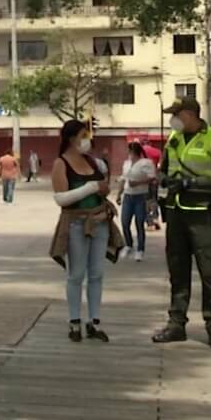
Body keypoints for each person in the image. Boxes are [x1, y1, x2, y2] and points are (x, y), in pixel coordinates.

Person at [153, 97, 211, 350]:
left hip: (203, 215)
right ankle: (176, 323)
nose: (173, 120)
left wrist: (192, 183)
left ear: (189, 114)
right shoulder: (174, 140)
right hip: (176, 213)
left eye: (176, 115)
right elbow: (163, 169)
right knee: (177, 271)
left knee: (208, 274)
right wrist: (165, 179)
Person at [50, 119, 122, 343]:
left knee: (97, 274)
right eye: (83, 135)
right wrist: (91, 187)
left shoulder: (92, 161)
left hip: (99, 221)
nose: (87, 140)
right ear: (72, 138)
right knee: (76, 274)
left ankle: (94, 321)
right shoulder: (61, 163)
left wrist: (102, 188)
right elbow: (61, 198)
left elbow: (103, 187)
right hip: (76, 223)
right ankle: (74, 322)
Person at [120, 142, 157, 261]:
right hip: (128, 196)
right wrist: (119, 193)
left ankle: (140, 249)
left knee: (139, 223)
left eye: (130, 151)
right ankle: (128, 244)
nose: (129, 153)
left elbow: (152, 178)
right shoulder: (126, 164)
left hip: (140, 196)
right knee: (125, 222)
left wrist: (138, 182)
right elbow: (123, 178)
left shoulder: (146, 163)